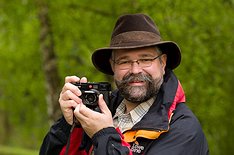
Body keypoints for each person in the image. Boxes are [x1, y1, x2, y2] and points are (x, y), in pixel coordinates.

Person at [40, 13, 209, 155]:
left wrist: (103, 135)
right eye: (124, 61)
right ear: (113, 66)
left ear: (163, 63)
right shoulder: (98, 113)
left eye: (145, 59)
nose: (135, 70)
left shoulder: (183, 129)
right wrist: (69, 125)